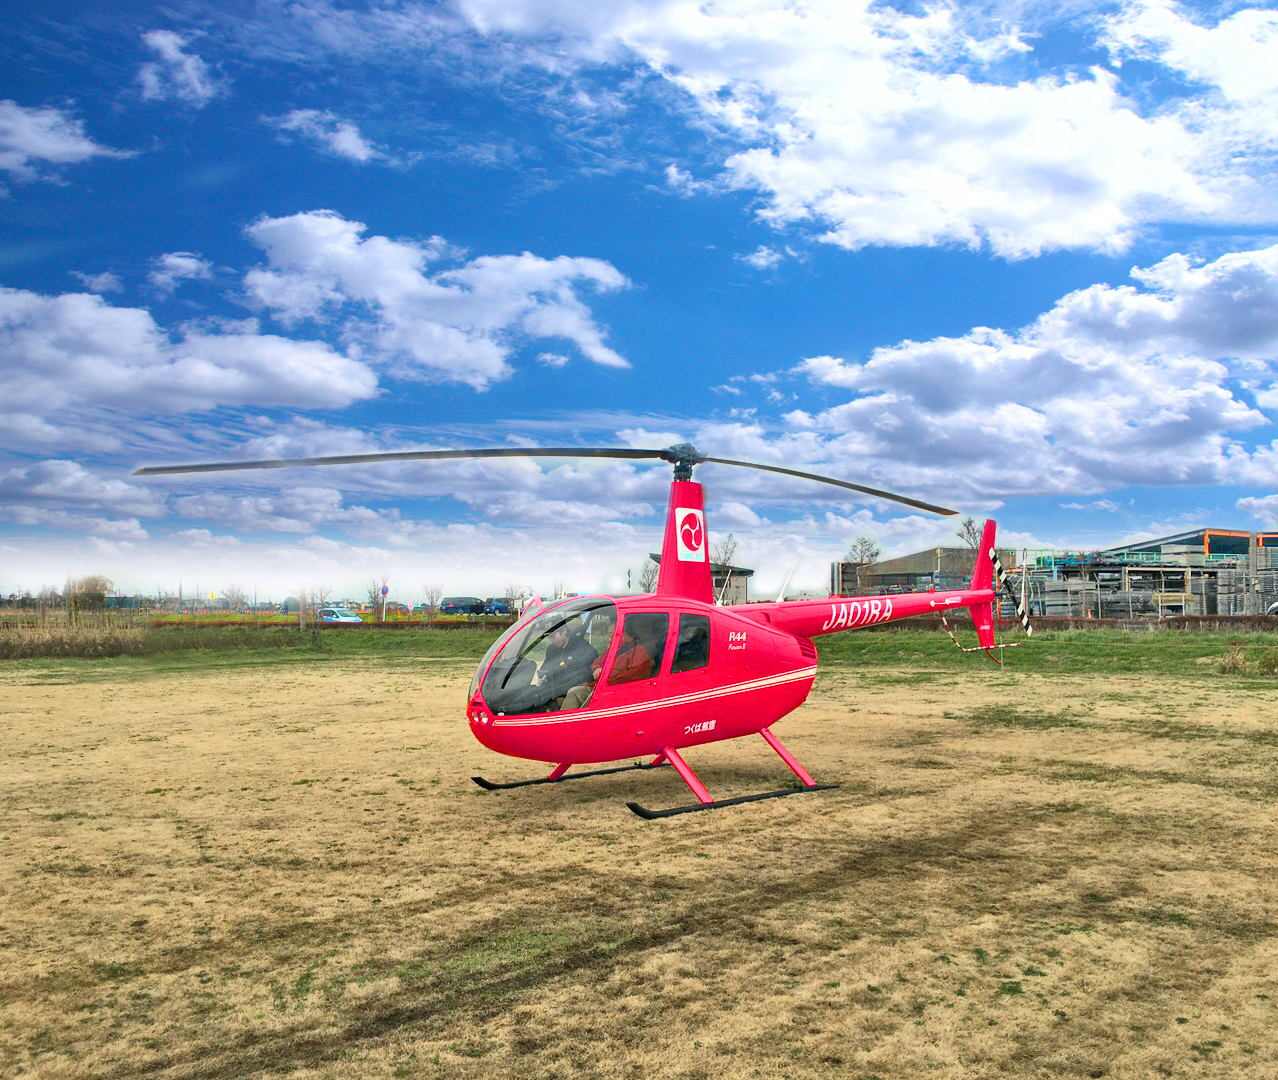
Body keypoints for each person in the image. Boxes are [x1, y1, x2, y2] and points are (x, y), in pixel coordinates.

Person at [535, 622, 598, 708]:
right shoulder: (551, 650)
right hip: (553, 694)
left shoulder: (582, 647)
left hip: (572, 693)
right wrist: (542, 675)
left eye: (553, 637)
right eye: (549, 638)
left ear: (564, 631)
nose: (551, 640)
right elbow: (546, 668)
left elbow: (585, 675)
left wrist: (562, 696)